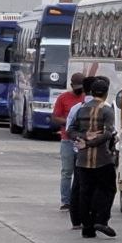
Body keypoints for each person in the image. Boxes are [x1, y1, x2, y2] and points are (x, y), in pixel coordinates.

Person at [69, 78, 119, 239]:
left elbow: (70, 130)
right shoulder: (107, 110)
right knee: (108, 189)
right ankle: (101, 219)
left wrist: (83, 138)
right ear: (105, 93)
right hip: (102, 158)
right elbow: (108, 133)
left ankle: (87, 228)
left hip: (83, 159)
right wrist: (91, 142)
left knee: (85, 193)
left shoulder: (81, 109)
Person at [50, 73, 86, 213]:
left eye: (81, 88)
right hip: (67, 139)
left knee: (81, 172)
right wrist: (69, 122)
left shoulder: (86, 99)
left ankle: (78, 199)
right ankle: (66, 200)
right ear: (71, 86)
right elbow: (55, 117)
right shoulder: (63, 98)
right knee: (66, 171)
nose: (78, 90)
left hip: (82, 140)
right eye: (76, 87)